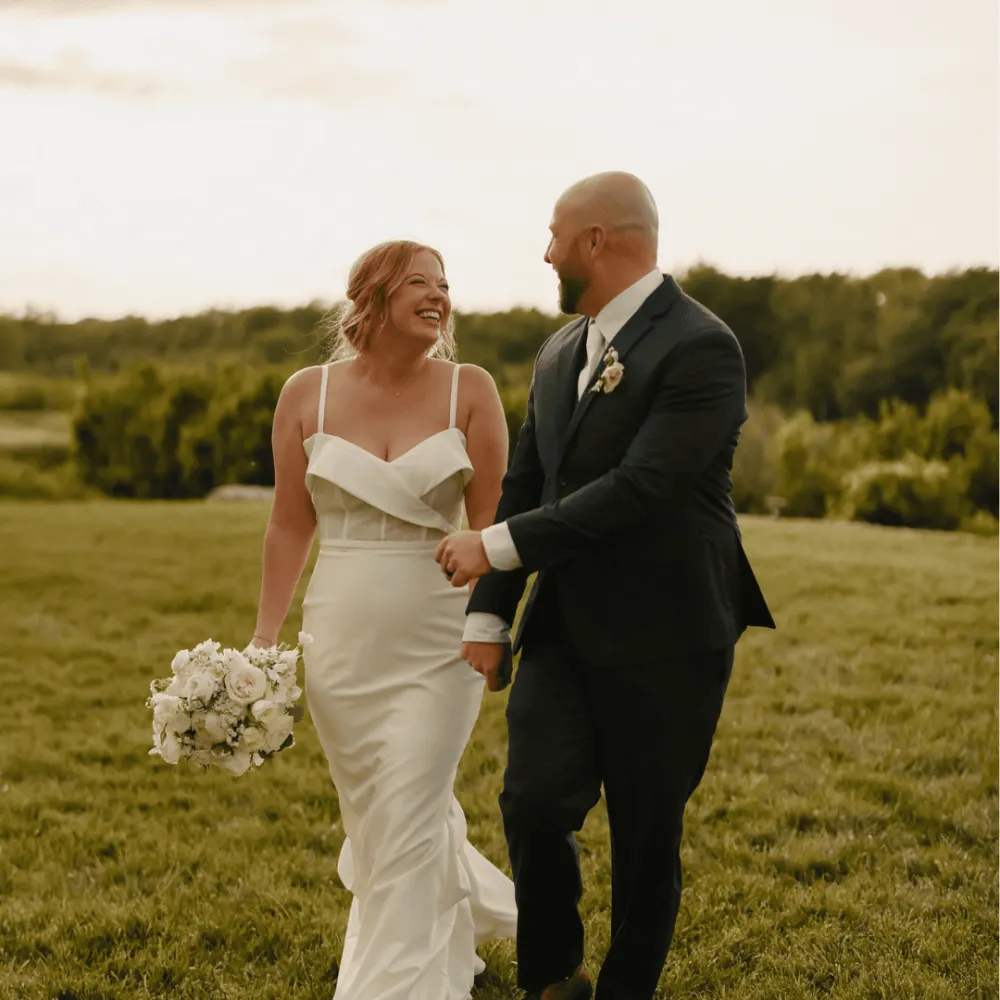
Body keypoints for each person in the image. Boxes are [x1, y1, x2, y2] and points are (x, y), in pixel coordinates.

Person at [435, 172, 776, 1000]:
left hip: (669, 633)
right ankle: (555, 979)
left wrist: (497, 546)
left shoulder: (702, 346)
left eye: (554, 234)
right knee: (531, 804)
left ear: (595, 241)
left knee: (645, 835)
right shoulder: (559, 351)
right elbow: (526, 481)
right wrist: (489, 617)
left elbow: (642, 490)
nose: (544, 251)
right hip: (563, 626)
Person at [250, 239, 517, 999]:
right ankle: (458, 924)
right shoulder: (308, 394)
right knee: (383, 818)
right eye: (419, 284)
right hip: (341, 643)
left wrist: (490, 624)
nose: (439, 295)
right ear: (372, 296)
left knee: (405, 811)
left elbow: (495, 518)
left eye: (445, 284)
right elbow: (287, 525)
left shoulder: (472, 388)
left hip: (443, 639)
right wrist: (265, 641)